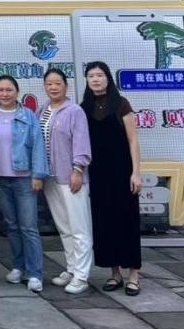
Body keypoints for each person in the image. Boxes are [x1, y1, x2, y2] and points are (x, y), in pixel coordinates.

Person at [81, 61, 143, 295]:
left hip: (122, 172)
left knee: (127, 221)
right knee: (104, 222)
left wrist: (136, 172)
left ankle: (133, 275)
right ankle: (114, 273)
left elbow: (133, 140)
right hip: (98, 174)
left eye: (99, 75)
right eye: (91, 76)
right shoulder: (84, 107)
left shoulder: (121, 104)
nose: (95, 79)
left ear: (108, 78)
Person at [0, 75, 48, 293]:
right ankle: (18, 266)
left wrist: (38, 175)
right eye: (0, 90)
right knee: (11, 225)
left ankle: (35, 273)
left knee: (28, 227)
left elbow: (38, 145)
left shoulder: (27, 116)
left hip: (24, 177)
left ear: (16, 92)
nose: (4, 94)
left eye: (9, 90)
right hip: (0, 178)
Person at [39, 68, 93, 295]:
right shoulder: (43, 110)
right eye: (49, 83)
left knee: (79, 228)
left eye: (57, 83)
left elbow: (81, 142)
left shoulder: (74, 111)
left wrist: (78, 169)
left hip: (71, 177)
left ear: (65, 86)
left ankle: (82, 276)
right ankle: (72, 268)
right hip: (50, 178)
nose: (53, 87)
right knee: (64, 226)